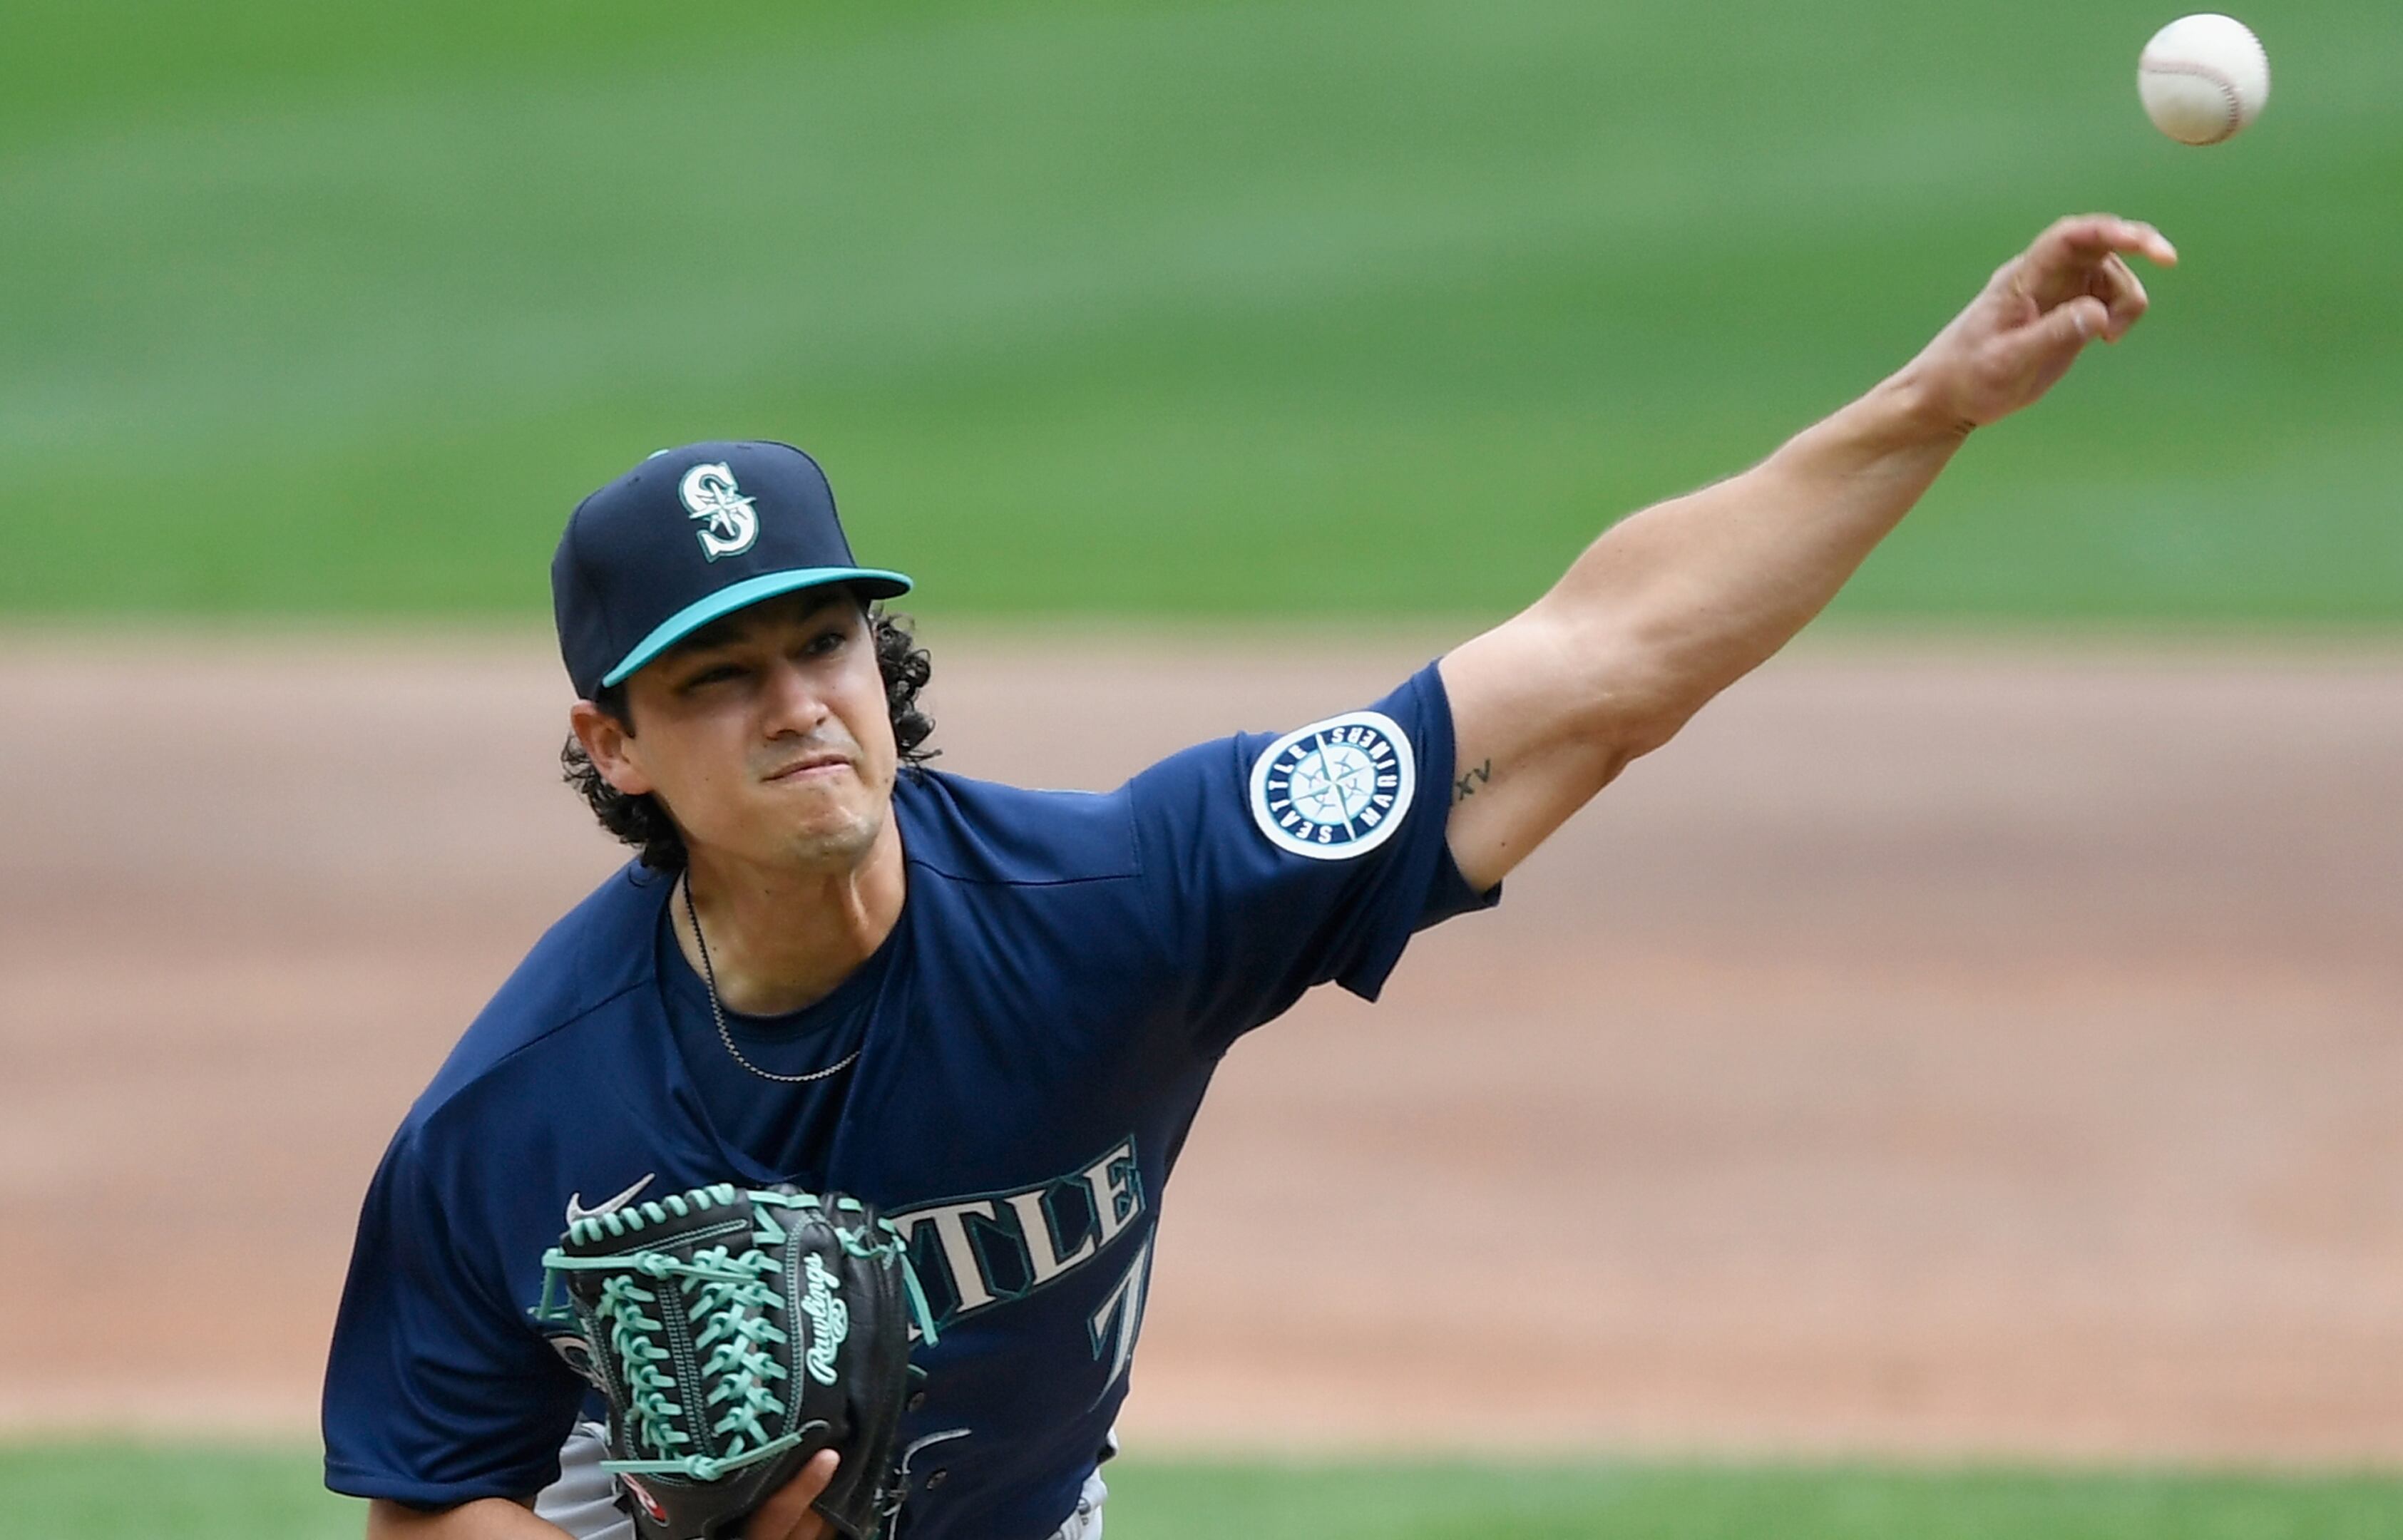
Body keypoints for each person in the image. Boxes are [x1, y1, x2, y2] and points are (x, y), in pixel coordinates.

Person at [324, 215, 2176, 1540]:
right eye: (718, 679)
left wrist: (1926, 407)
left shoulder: (1117, 901)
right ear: (615, 744)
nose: (795, 704)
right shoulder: (521, 1111)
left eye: (819, 646)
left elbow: (1597, 670)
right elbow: (429, 1499)